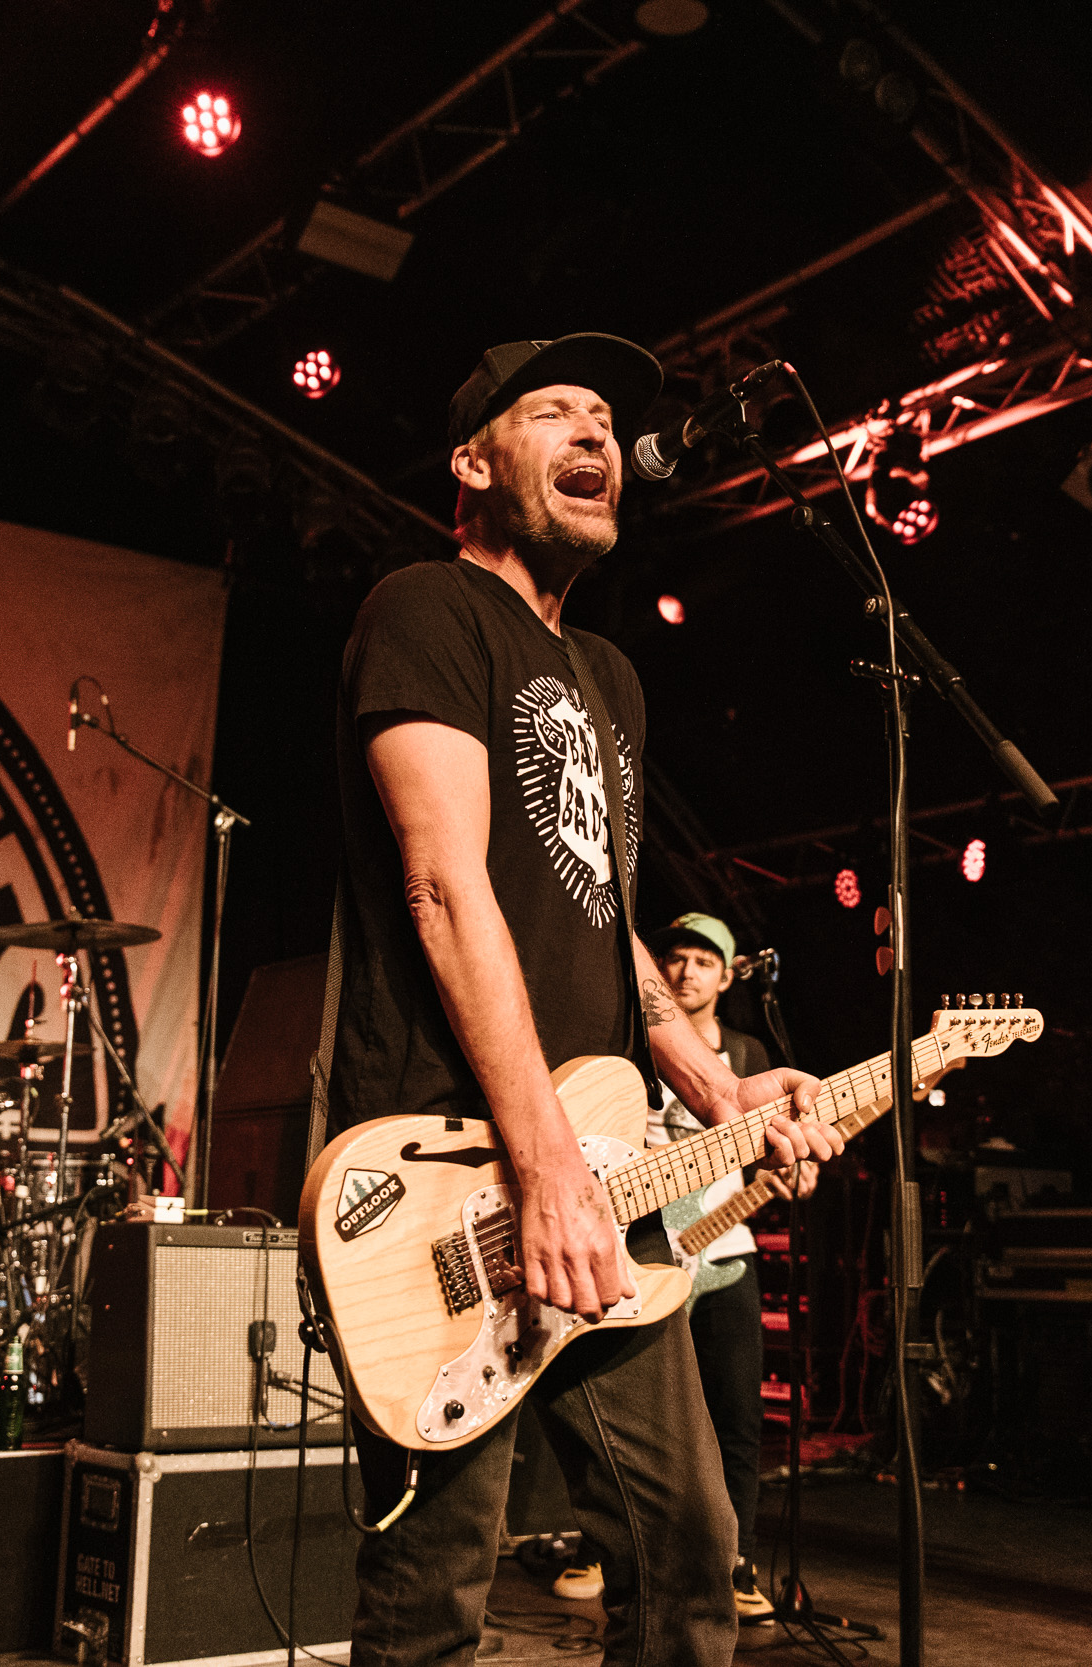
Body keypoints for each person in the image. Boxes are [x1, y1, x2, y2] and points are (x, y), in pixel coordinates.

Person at [328, 334, 842, 1667]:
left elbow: (606, 927)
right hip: (453, 1170)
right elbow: (445, 886)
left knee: (687, 1556)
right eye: (555, 409)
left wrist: (718, 1089)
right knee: (434, 1591)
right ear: (471, 461)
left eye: (606, 416)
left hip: (597, 1174)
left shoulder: (610, 675)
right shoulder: (425, 608)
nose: (597, 434)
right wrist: (543, 1163)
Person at [548, 910, 804, 1622]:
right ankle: (599, 1550)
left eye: (703, 960)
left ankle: (738, 1564)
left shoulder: (747, 1052)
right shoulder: (629, 1040)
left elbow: (766, 1142)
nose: (686, 970)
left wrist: (791, 1167)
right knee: (616, 1420)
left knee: (737, 1419)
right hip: (636, 1246)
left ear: (728, 976)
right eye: (675, 957)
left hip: (725, 1252)